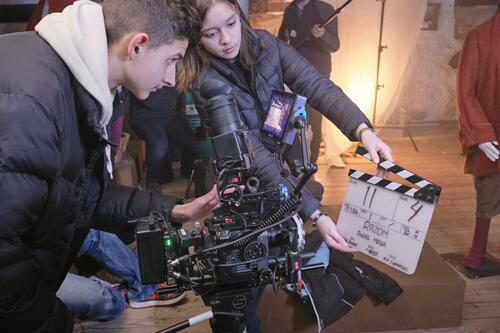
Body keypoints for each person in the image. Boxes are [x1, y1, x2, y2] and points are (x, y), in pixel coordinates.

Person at [0, 1, 221, 332]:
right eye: (171, 60)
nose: (171, 77)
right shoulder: (36, 101)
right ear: (137, 45)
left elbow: (81, 193)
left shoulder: (77, 82)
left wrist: (173, 210)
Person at [179, 1, 393, 331]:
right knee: (241, 282)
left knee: (279, 256)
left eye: (232, 24)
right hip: (239, 186)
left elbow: (317, 86)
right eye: (211, 33)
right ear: (196, 37)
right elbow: (252, 154)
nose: (226, 39)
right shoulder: (205, 79)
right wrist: (314, 213)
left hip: (280, 172)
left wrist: (363, 131)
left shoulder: (266, 44)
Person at [57, 229, 186, 322]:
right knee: (109, 302)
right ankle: (116, 294)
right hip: (38, 284)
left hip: (41, 251)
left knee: (96, 235)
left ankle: (143, 290)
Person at [456, 10, 500, 271]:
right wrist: (482, 135)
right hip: (493, 131)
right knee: (489, 192)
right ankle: (477, 249)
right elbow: (466, 92)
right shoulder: (479, 37)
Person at [278, 0, 340, 164]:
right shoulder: (290, 9)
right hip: (292, 71)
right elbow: (281, 40)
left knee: (313, 117)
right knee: (290, 116)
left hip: (316, 74)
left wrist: (323, 35)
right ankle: (293, 162)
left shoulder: (325, 9)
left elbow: (335, 45)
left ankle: (310, 164)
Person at [129, 87, 198, 190]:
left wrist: (181, 112)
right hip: (144, 116)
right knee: (159, 145)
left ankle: (187, 173)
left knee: (191, 142)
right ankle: (152, 183)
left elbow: (181, 92)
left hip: (170, 114)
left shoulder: (177, 72)